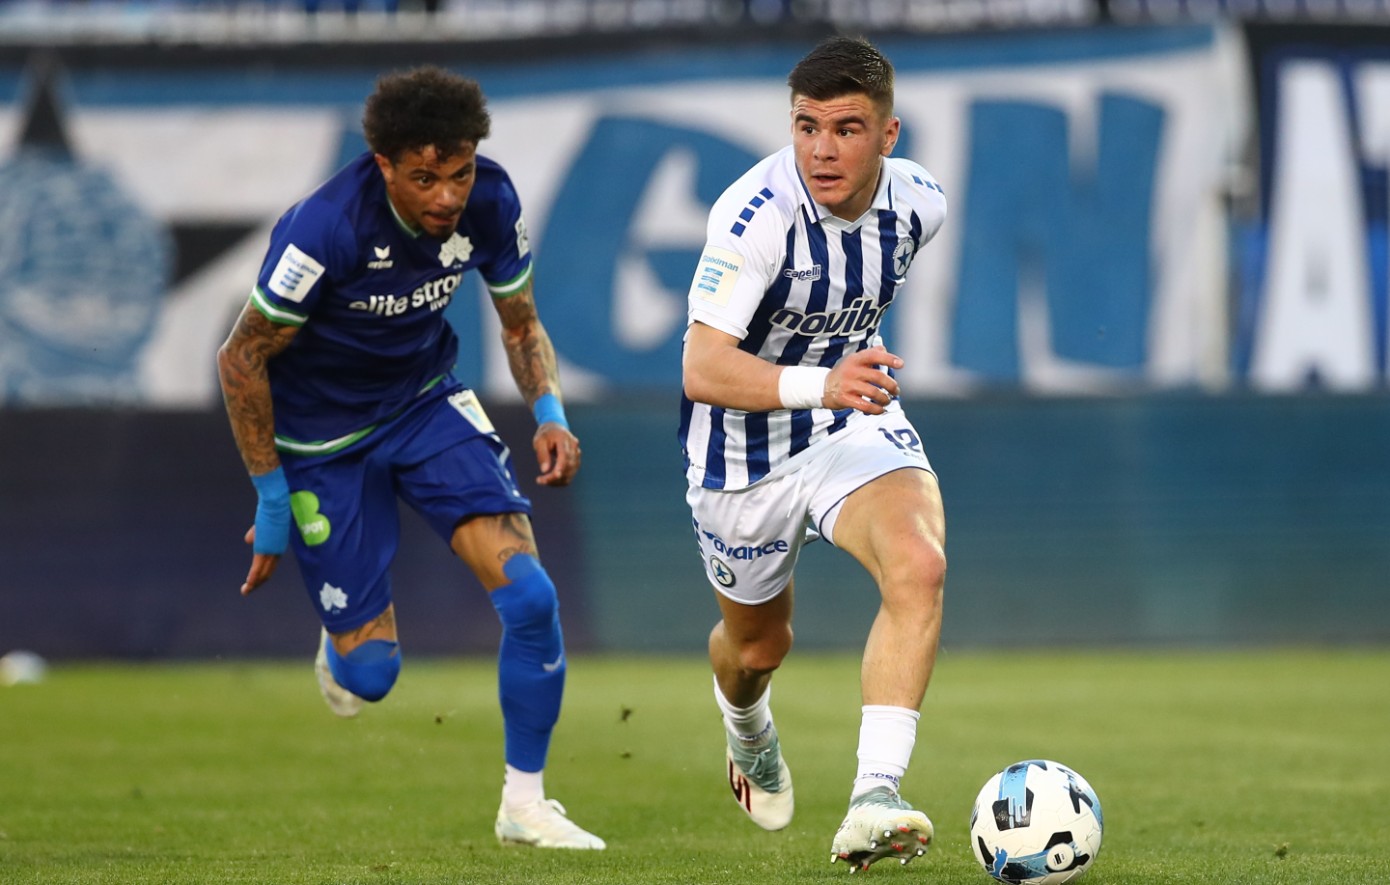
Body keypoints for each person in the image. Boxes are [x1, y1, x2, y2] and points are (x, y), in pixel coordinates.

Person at [216, 66, 604, 851]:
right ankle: (341, 642)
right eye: (425, 178)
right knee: (371, 677)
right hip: (321, 443)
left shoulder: (491, 200)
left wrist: (550, 414)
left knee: (531, 597)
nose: (447, 196)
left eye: (459, 171)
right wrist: (270, 496)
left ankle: (524, 804)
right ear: (384, 164)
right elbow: (241, 357)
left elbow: (521, 324)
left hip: (424, 404)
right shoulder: (324, 229)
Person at [679, 36, 948, 871]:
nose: (822, 150)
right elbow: (701, 366)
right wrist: (821, 381)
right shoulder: (754, 216)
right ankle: (746, 728)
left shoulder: (921, 204)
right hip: (741, 455)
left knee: (919, 564)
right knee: (758, 649)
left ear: (889, 134)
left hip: (846, 425)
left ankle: (875, 795)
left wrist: (839, 387)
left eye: (846, 128)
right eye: (807, 126)